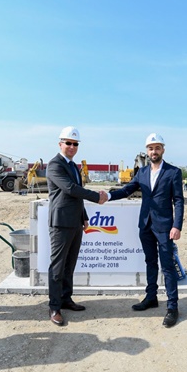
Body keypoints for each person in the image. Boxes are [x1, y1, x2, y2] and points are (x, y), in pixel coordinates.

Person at [108, 133, 184, 328]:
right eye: (151, 148)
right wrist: (107, 196)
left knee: (167, 266)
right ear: (147, 151)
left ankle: (172, 307)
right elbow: (127, 190)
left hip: (165, 227)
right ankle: (151, 297)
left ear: (163, 150)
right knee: (150, 262)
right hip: (146, 225)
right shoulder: (141, 172)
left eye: (157, 148)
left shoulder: (173, 172)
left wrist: (176, 226)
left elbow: (178, 200)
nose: (154, 151)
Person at [46, 126, 107, 326]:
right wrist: (97, 197)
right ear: (60, 144)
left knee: (70, 264)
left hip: (75, 222)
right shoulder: (55, 165)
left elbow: (76, 196)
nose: (72, 146)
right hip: (61, 223)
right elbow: (70, 189)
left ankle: (66, 298)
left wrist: (84, 216)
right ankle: (54, 307)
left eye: (75, 144)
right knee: (57, 266)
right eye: (68, 143)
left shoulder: (73, 166)